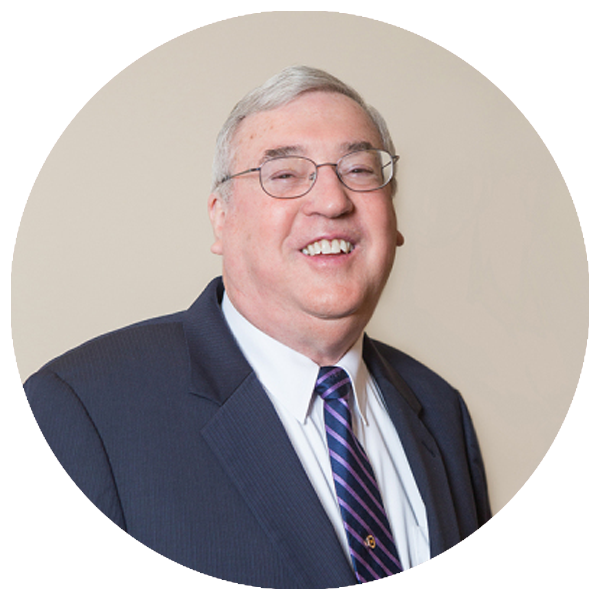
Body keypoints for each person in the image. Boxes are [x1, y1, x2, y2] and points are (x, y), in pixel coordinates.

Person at [23, 66, 491, 588]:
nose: (333, 201)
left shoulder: (440, 409)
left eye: (359, 170)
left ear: (394, 218)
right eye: (285, 175)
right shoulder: (84, 410)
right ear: (220, 219)